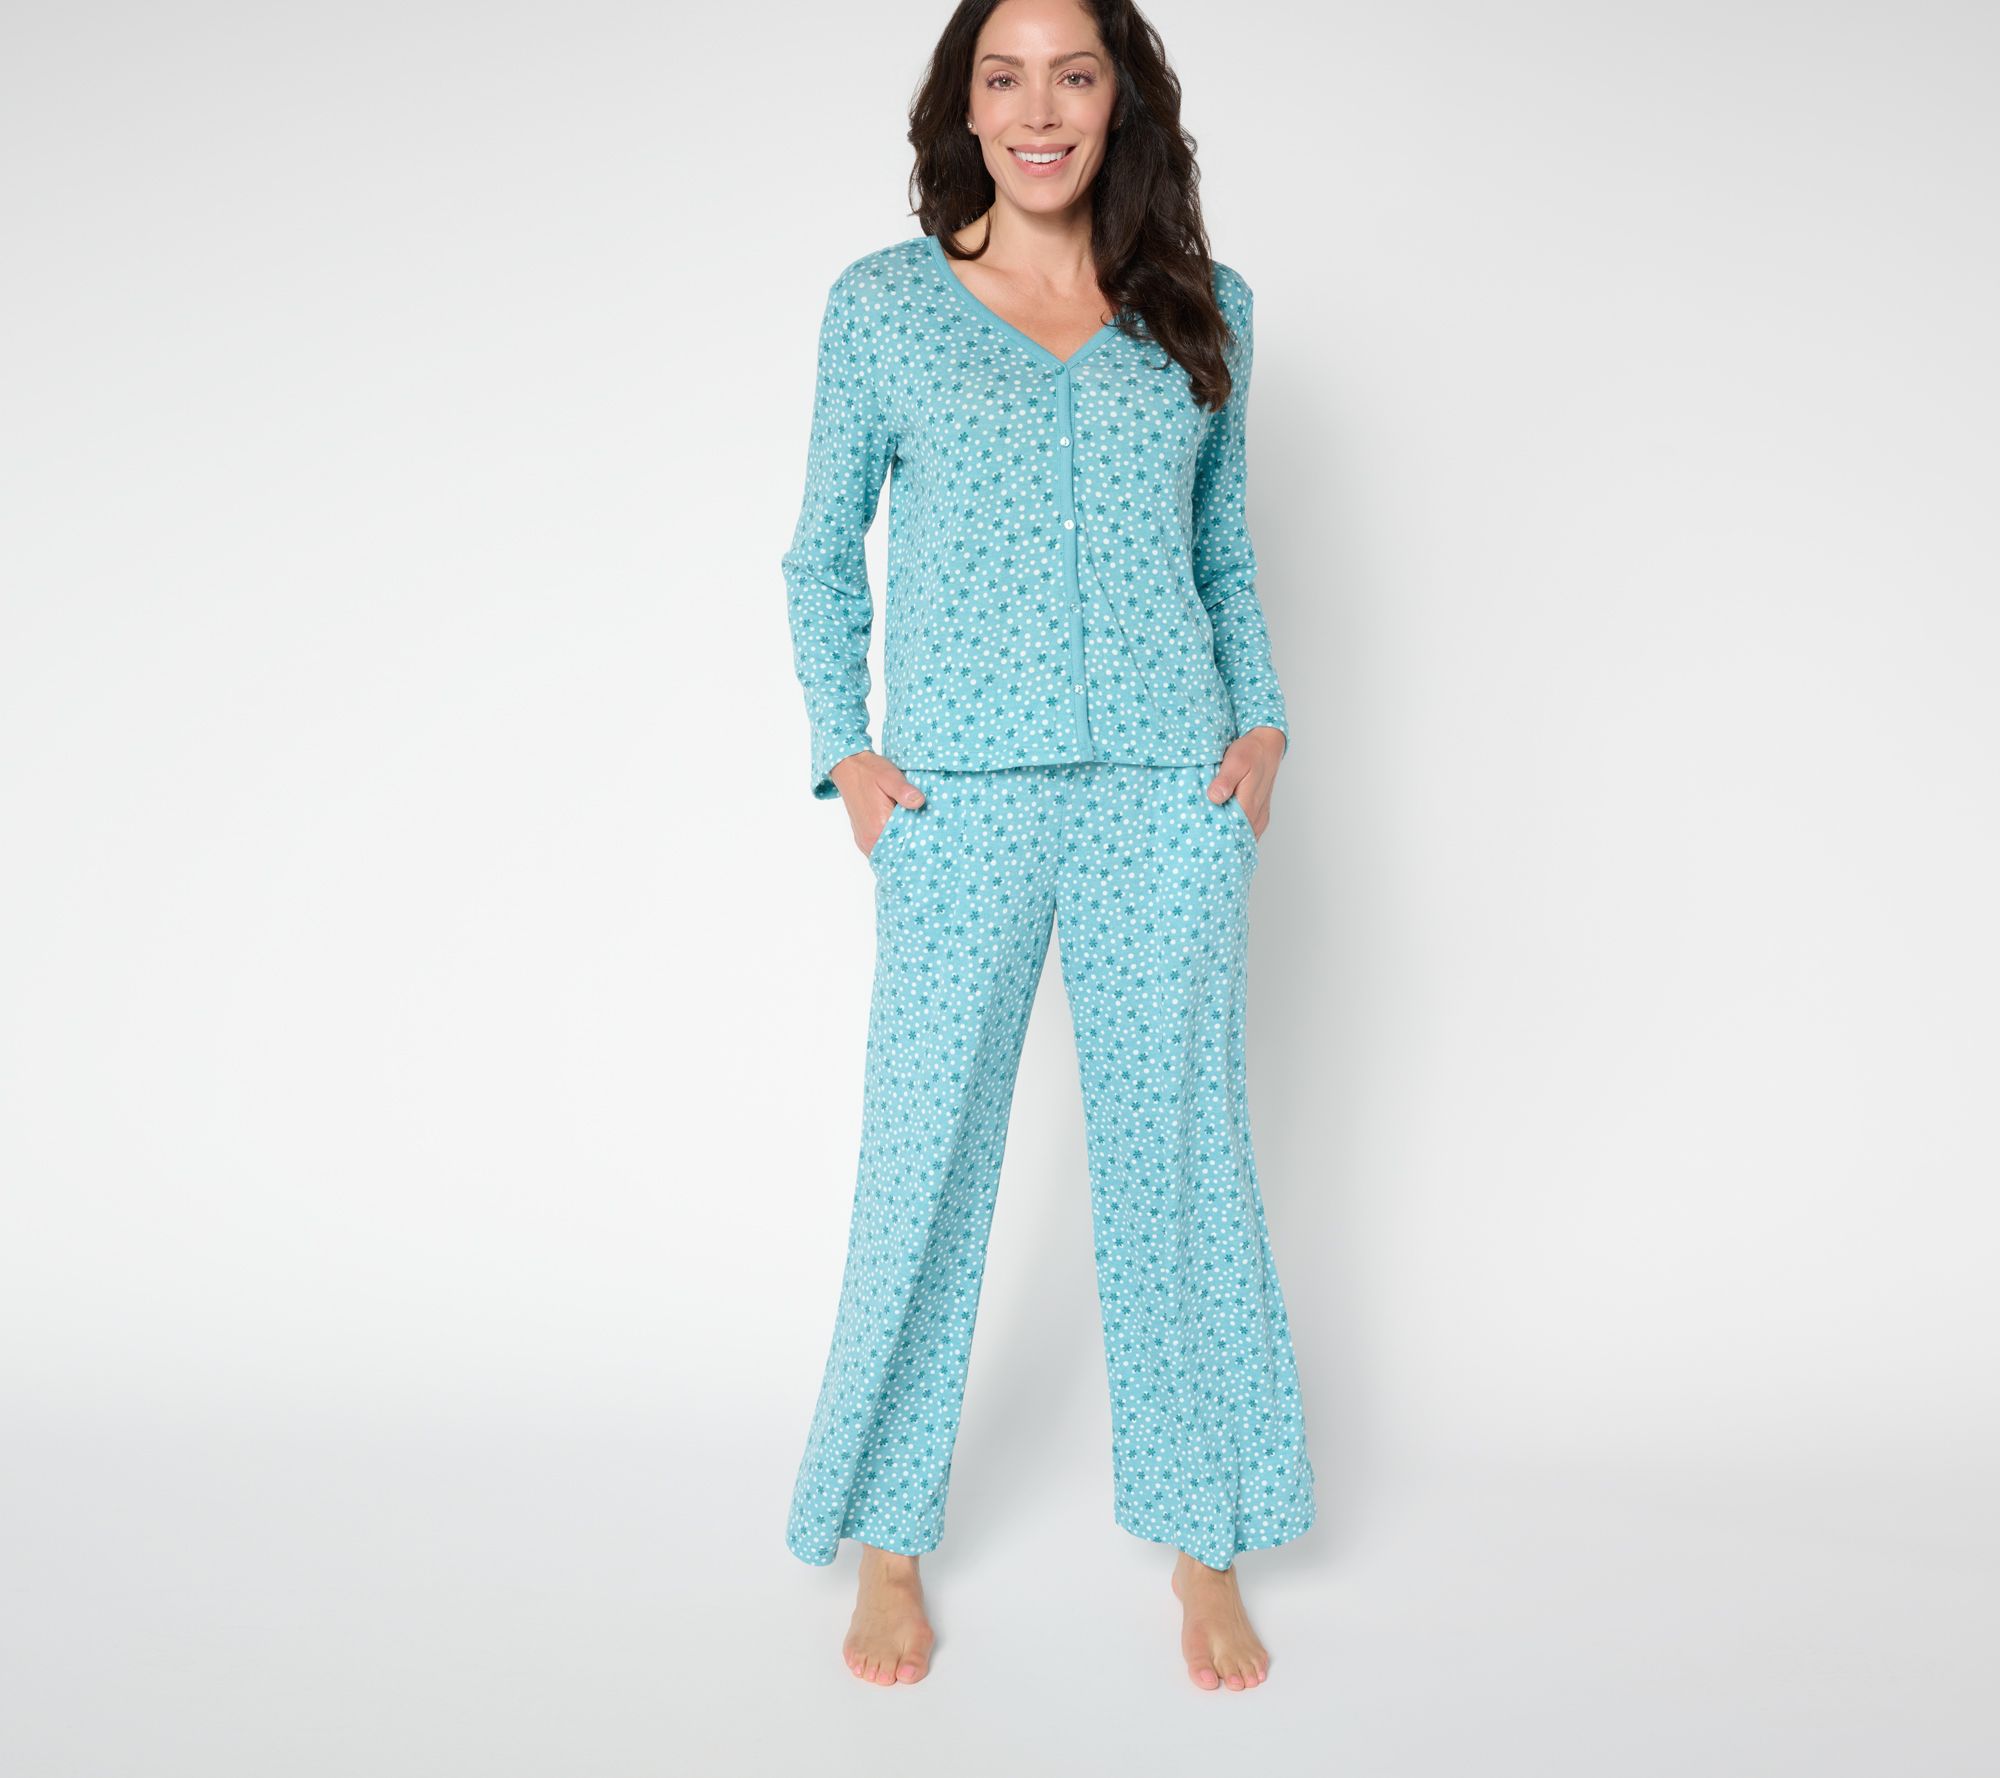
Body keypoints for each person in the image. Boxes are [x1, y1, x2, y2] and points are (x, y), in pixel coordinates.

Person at [779, 0, 1316, 1693]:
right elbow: (819, 551)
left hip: (1169, 792)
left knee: (1181, 1160)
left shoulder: (1204, 310)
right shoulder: (883, 308)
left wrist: (1262, 732)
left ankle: (1206, 1536)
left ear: (1117, 99)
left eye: (1072, 75)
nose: (1037, 109)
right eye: (1002, 77)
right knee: (923, 1160)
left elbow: (1224, 554)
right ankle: (886, 1542)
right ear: (965, 104)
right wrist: (849, 756)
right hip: (958, 801)